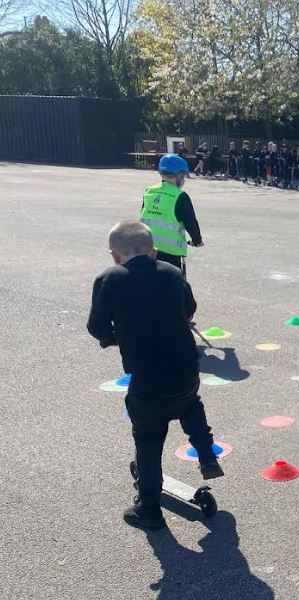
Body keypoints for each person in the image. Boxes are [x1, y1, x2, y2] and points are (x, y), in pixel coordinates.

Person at [87, 221, 223, 531]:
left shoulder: (108, 279)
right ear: (154, 251)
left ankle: (149, 508)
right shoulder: (172, 273)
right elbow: (190, 310)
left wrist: (116, 336)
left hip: (147, 378)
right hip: (185, 365)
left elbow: (96, 326)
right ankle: (205, 453)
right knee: (189, 402)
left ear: (114, 255)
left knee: (148, 440)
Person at [139, 154, 204, 272]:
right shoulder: (180, 196)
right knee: (172, 286)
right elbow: (190, 222)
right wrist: (197, 240)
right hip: (170, 253)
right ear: (179, 175)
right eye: (184, 176)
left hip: (147, 249)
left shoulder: (149, 191)